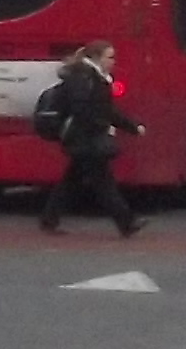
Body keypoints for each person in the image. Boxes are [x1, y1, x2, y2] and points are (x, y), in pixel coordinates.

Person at [35, 38, 140, 237]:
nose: (113, 61)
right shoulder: (84, 77)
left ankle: (49, 219)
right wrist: (103, 126)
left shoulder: (94, 77)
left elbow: (108, 110)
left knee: (72, 180)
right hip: (84, 136)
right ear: (96, 57)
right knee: (103, 181)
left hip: (84, 135)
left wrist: (131, 127)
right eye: (110, 57)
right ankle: (126, 222)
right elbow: (84, 108)